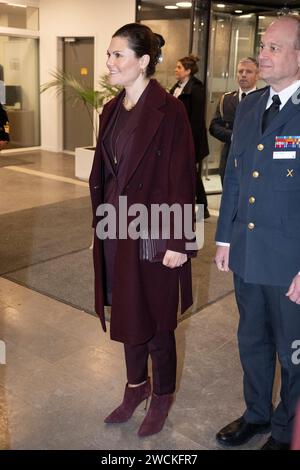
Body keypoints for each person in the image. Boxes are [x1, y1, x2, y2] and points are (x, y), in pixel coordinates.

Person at [89, 23, 196, 437]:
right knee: (125, 312)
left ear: (144, 61)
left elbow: (182, 178)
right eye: (109, 54)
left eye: (118, 55)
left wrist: (177, 241)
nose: (110, 62)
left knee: (156, 321)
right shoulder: (112, 109)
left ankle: (163, 394)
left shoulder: (170, 111)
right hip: (115, 230)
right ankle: (136, 387)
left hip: (153, 231)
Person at [214, 15, 300, 450]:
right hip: (247, 254)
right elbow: (234, 176)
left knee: (293, 352)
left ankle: (286, 431)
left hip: (290, 264)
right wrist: (225, 239)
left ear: (299, 56)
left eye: (274, 48)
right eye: (263, 46)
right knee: (252, 339)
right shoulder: (250, 105)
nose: (262, 55)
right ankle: (256, 415)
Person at [170, 55, 210, 218]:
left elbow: (196, 121)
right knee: (187, 175)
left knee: (192, 176)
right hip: (178, 139)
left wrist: (188, 145)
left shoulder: (196, 88)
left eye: (179, 67)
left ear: (188, 71)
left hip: (191, 141)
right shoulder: (177, 87)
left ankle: (202, 209)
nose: (175, 70)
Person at [209, 57, 259, 185]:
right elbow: (214, 127)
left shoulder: (264, 100)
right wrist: (233, 136)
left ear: (257, 75)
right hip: (229, 156)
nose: (243, 75)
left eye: (248, 72)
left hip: (255, 158)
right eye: (240, 71)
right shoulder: (226, 99)